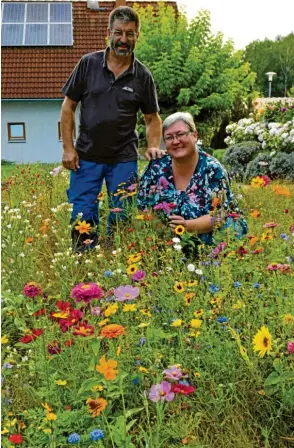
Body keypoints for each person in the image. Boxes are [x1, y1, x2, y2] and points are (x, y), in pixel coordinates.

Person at [60, 6, 163, 250]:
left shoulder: (143, 76)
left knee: (122, 216)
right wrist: (68, 148)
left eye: (130, 34)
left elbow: (152, 118)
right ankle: (83, 262)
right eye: (119, 33)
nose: (123, 40)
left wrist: (153, 146)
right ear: (109, 32)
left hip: (123, 159)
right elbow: (68, 108)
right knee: (82, 215)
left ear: (138, 36)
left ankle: (114, 262)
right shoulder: (88, 64)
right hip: (86, 156)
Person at [137, 112, 247, 251]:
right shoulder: (157, 167)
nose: (176, 141)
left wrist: (187, 226)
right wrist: (163, 233)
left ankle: (217, 262)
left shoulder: (213, 169)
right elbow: (143, 207)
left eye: (180, 134)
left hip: (208, 233)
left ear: (194, 135)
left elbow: (220, 215)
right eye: (169, 137)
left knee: (231, 227)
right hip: (168, 237)